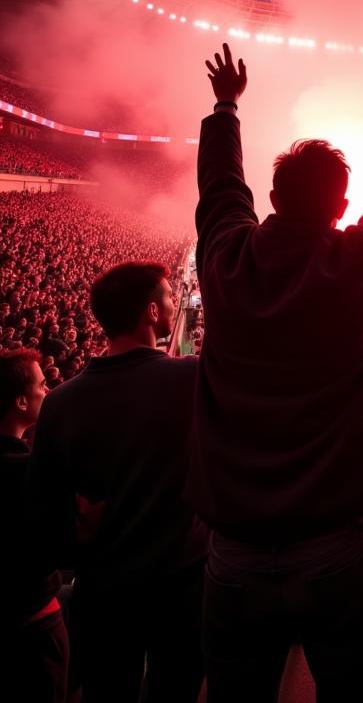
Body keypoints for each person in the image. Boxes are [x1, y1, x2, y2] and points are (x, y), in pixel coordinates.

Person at [191, 45, 363, 703]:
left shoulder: (224, 259)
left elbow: (218, 190)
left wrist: (225, 107)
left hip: (235, 547)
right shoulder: (357, 263)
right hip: (340, 545)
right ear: (341, 207)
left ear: (271, 197)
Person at [29, 262, 206, 703]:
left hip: (103, 590)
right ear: (151, 312)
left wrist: (79, 541)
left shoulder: (60, 403)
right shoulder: (191, 378)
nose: (173, 302)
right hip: (183, 586)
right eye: (168, 296)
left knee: (108, 692)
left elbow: (44, 510)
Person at [0, 348, 67, 703]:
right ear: (22, 402)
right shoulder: (25, 471)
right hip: (33, 626)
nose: (48, 390)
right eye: (42, 385)